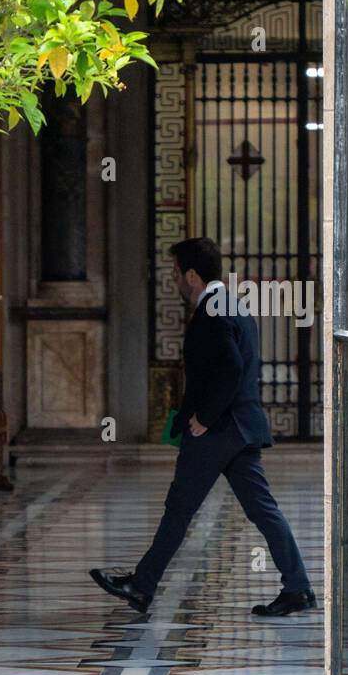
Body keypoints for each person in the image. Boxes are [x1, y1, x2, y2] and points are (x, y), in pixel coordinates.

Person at [90, 237, 315, 617]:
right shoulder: (229, 303)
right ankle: (298, 588)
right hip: (239, 427)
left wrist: (204, 418)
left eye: (176, 273)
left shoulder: (214, 309)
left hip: (218, 431)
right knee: (262, 509)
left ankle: (141, 586)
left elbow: (230, 367)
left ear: (192, 275)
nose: (174, 280)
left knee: (179, 508)